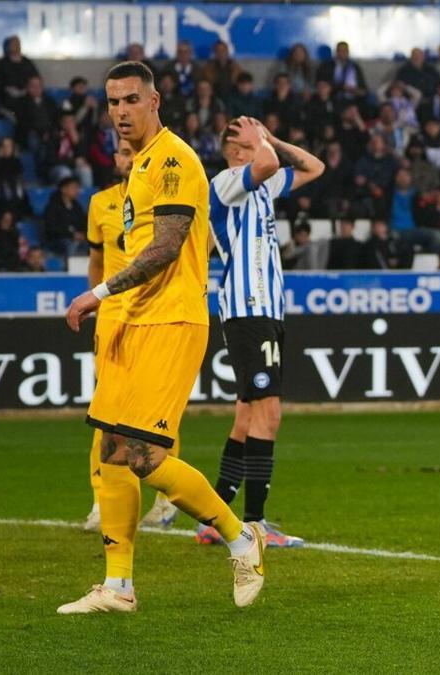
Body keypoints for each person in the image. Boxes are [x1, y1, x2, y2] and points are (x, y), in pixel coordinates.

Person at [59, 61, 266, 614]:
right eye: (113, 102)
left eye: (131, 100)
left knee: (146, 456)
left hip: (172, 319)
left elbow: (167, 246)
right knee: (110, 450)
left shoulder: (172, 158)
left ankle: (241, 536)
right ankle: (119, 586)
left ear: (155, 102)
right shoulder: (140, 166)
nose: (121, 111)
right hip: (133, 322)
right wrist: (113, 312)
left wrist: (97, 294)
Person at [196, 115, 324, 549]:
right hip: (248, 308)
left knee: (248, 415)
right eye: (249, 137)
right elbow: (266, 165)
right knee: (268, 414)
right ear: (236, 150)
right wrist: (261, 142)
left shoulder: (262, 184)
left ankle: (214, 517)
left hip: (267, 310)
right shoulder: (227, 181)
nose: (259, 139)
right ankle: (254, 525)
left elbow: (313, 167)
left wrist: (271, 136)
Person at [80, 137, 180, 532]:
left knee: (157, 412)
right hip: (113, 316)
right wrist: (96, 304)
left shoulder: (166, 200)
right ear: (116, 159)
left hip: (154, 312)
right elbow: (96, 260)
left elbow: (199, 245)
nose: (129, 158)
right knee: (105, 411)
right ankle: (101, 501)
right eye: (122, 152)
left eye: (134, 152)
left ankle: (165, 502)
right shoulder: (99, 204)